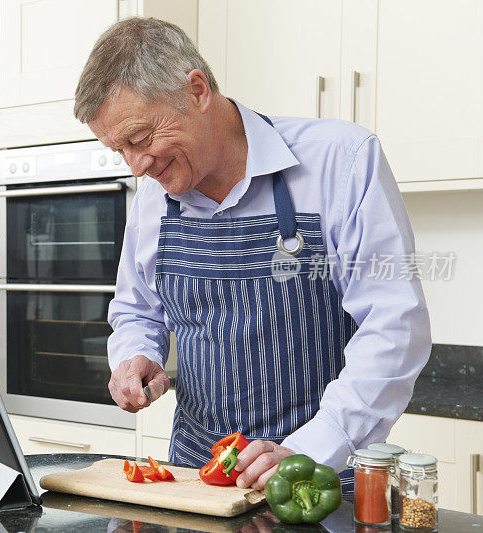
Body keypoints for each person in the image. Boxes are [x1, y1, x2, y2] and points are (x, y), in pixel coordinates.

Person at [73, 17, 431, 492]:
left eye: (140, 139)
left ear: (196, 90)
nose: (137, 166)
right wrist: (137, 355)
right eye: (120, 150)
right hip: (195, 485)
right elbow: (137, 309)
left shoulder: (341, 160)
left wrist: (311, 449)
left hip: (317, 479)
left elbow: (395, 324)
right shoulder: (155, 199)